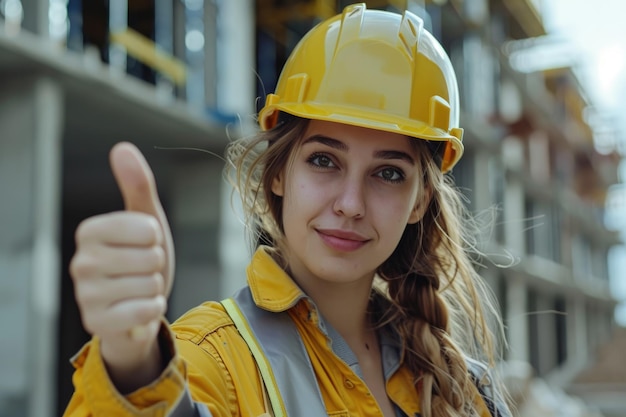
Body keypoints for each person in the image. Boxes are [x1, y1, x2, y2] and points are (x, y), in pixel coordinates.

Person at [64, 3, 511, 417]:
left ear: (420, 201)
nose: (351, 204)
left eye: (389, 173)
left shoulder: (463, 389)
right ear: (278, 174)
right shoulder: (211, 358)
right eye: (324, 160)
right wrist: (135, 368)